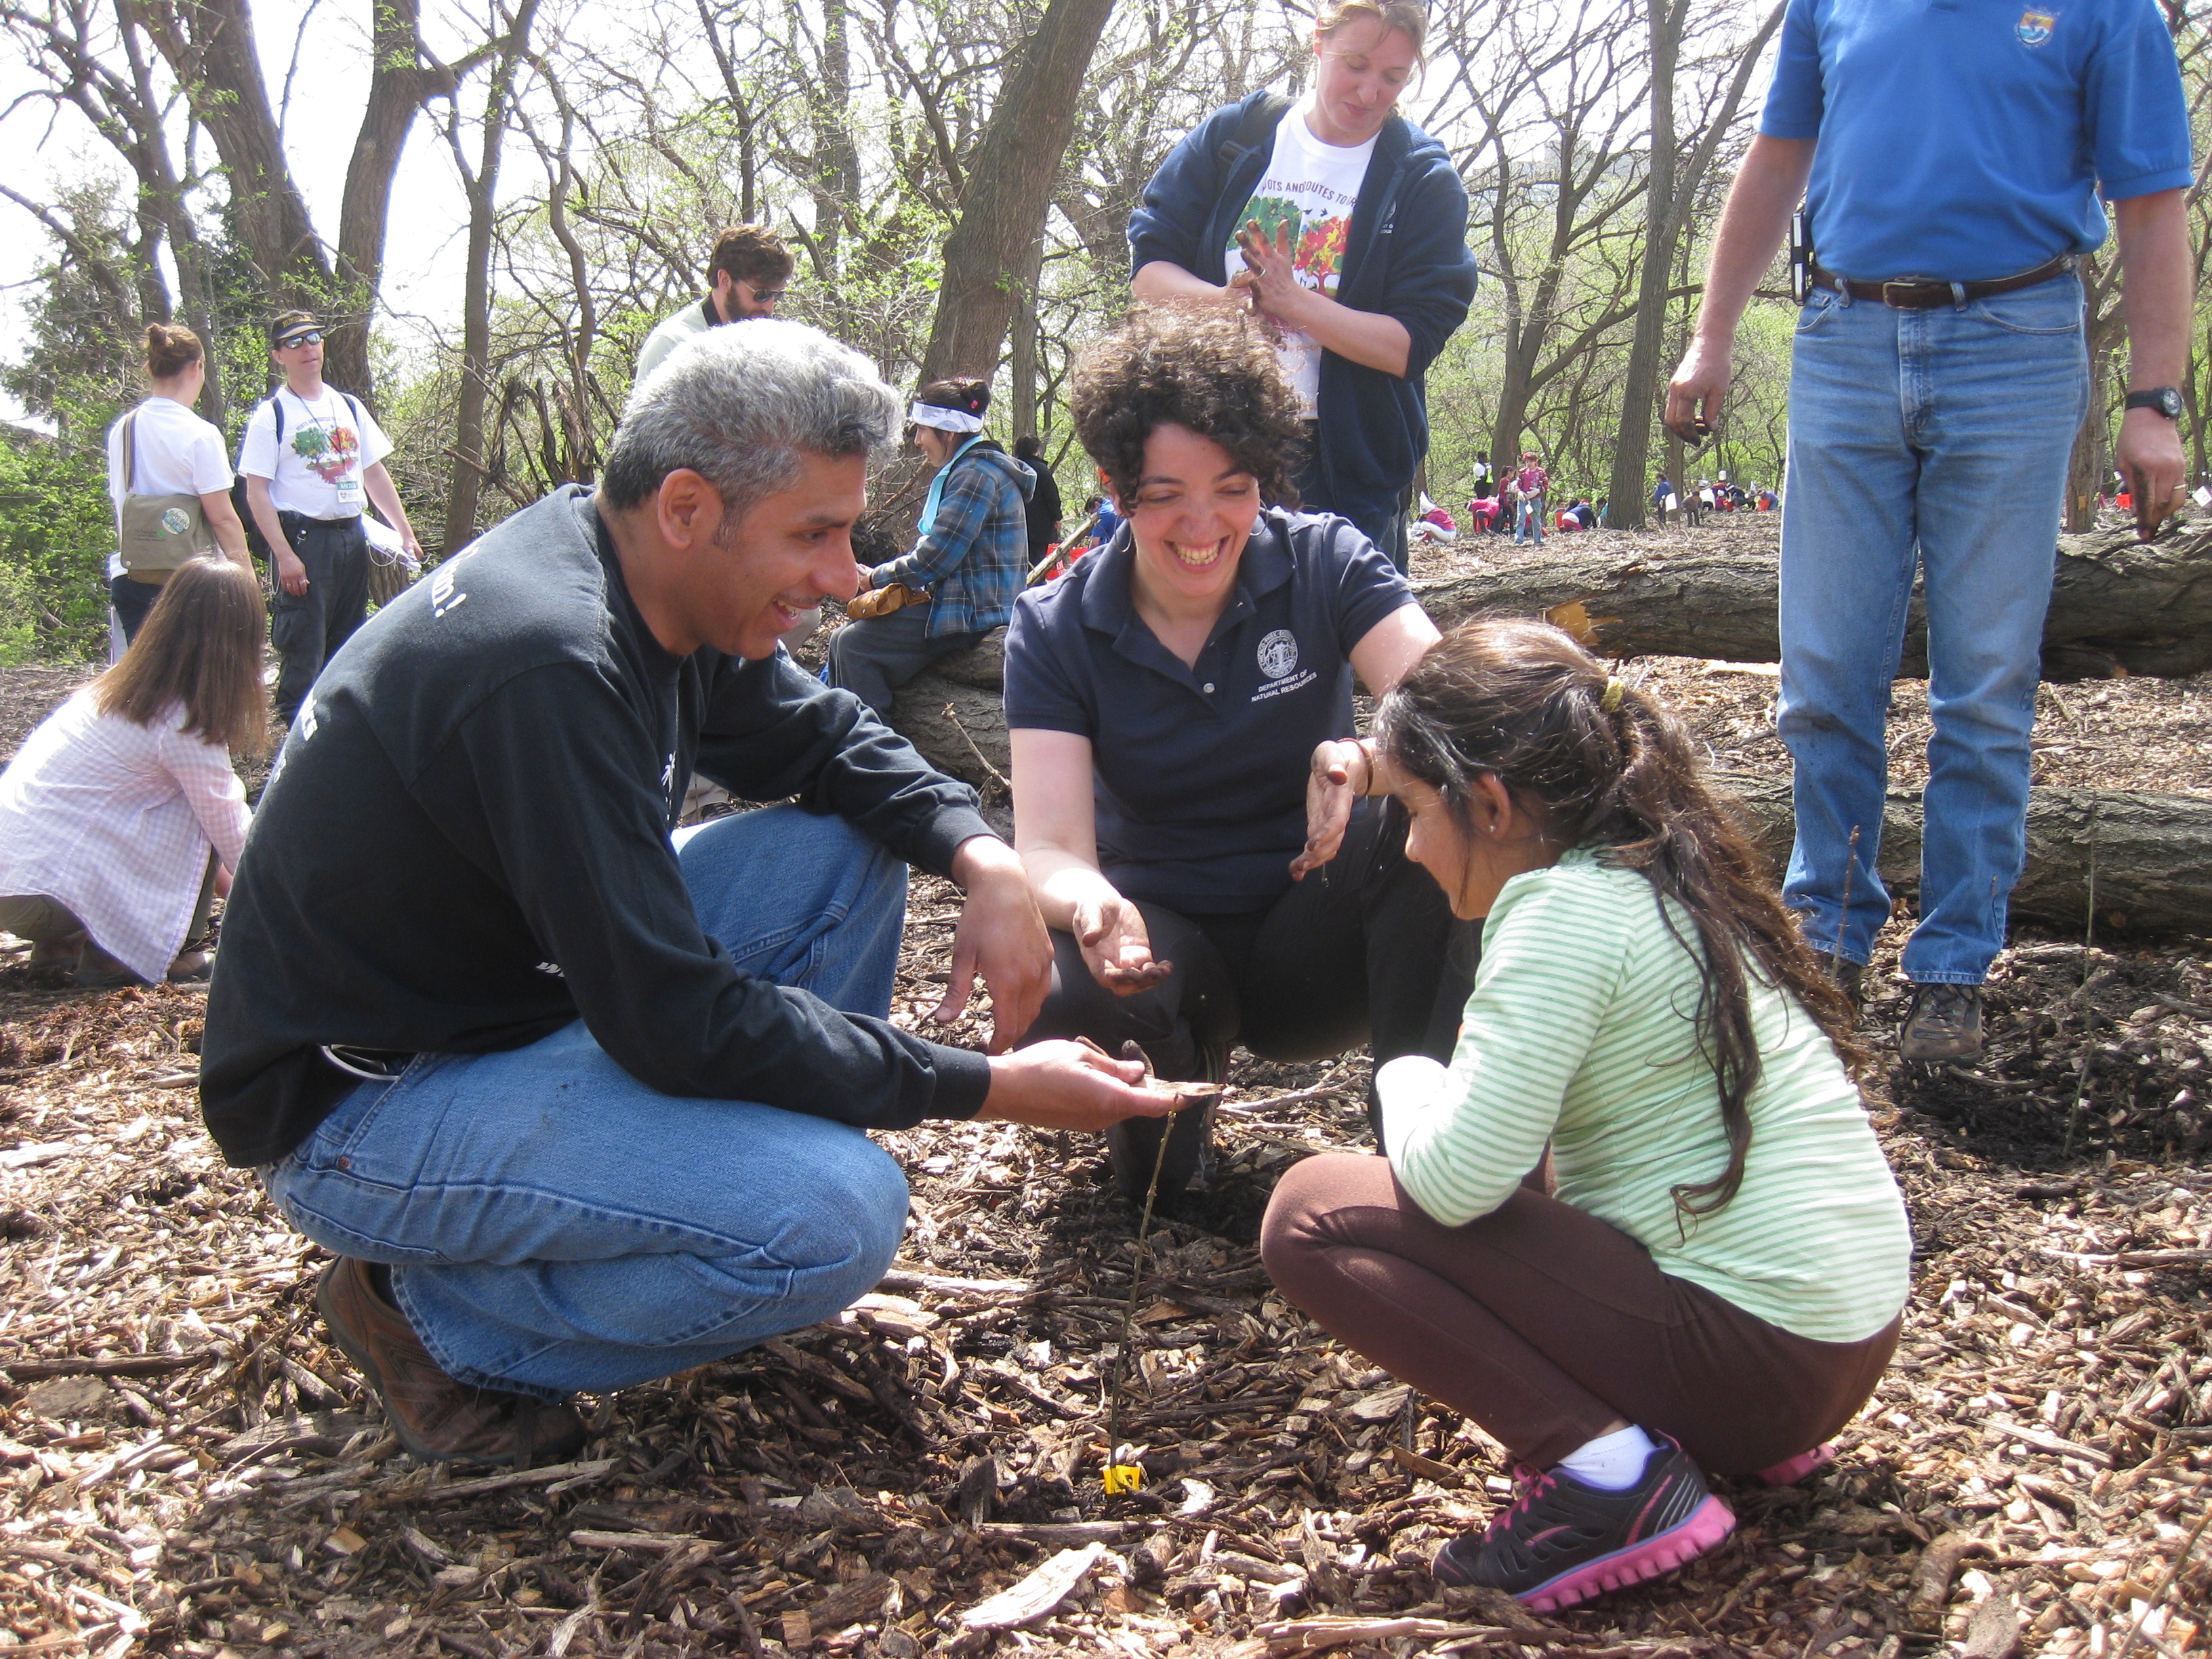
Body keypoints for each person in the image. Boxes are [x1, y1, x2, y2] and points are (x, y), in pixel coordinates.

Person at [199, 322, 1169, 1467]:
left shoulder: (647, 577)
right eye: (813, 534)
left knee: (839, 852)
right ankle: (421, 1312)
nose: (843, 577)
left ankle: (712, 1207)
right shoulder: (551, 664)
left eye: (849, 533)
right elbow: (672, 1016)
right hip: (363, 1109)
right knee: (837, 1218)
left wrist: (981, 854)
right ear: (685, 507)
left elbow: (823, 740)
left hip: (508, 1006)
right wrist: (990, 1084)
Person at [1262, 619, 1912, 1610]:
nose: (1413, 846)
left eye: (1417, 811)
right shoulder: (1665, 874)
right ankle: (1673, 1439)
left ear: (1490, 802)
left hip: (1755, 1366)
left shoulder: (1560, 913)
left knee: (1309, 1210)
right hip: (1839, 1347)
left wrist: (1400, 1074)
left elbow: (1452, 1182)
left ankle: (1610, 1479)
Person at [1666, 0, 2192, 1061]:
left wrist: (2156, 399)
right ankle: (1828, 939)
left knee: (1986, 685)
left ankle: (1953, 967)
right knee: (1823, 676)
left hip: (2017, 339)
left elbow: (2151, 202)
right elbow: (1776, 159)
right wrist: (1710, 336)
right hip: (1844, 336)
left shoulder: (2107, 12)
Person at [1004, 306, 1471, 1201]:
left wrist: (1367, 763)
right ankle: (1170, 1151)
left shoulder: (1326, 561)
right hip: (1166, 946)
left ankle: (1428, 1160)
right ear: (1112, 486)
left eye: (1233, 486)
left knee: (1438, 810)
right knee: (1066, 992)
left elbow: (1461, 713)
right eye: (1165, 492)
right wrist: (1093, 904)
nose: (1201, 523)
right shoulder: (1057, 627)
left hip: (1316, 936)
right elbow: (1048, 846)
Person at [1126, 0, 1475, 571]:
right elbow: (1148, 273)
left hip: (1345, 467)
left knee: (1338, 650)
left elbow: (1409, 344)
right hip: (1210, 441)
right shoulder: (1239, 135)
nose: (1369, 93)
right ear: (1319, 43)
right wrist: (1226, 303)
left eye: (1393, 77)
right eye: (1355, 66)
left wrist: (1295, 303)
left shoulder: (1421, 179)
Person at [0, 558, 266, 986]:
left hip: (16, 888)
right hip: (46, 898)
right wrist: (282, 910)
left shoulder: (113, 689)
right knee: (200, 802)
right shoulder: (181, 722)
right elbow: (232, 832)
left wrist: (232, 888)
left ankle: (57, 946)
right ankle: (124, 955)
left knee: (162, 798)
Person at [239, 312, 422, 729]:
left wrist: (404, 533)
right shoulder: (273, 415)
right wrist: (284, 556)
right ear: (278, 356)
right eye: (294, 342)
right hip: (305, 541)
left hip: (352, 535)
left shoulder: (349, 407)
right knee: (305, 646)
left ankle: (339, 737)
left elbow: (373, 474)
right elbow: (256, 492)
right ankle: (294, 744)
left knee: (349, 644)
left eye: (313, 338)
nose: (307, 348)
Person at [825, 378, 1034, 718]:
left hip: (974, 613)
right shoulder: (973, 470)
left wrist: (873, 578)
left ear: (948, 433)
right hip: (967, 604)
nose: (918, 439)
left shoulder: (975, 475)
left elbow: (935, 559)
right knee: (842, 639)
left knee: (854, 646)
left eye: (923, 430)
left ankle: (867, 752)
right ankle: (844, 736)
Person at [104, 325, 251, 643]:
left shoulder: (123, 429)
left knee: (145, 688)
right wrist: (246, 579)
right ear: (198, 366)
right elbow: (222, 518)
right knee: (194, 688)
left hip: (134, 575)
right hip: (190, 584)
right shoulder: (199, 433)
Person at [635, 224, 794, 382]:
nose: (769, 307)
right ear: (725, 280)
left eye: (777, 295)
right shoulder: (670, 345)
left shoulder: (771, 347)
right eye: (762, 294)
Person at [1014, 434, 1064, 569]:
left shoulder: (1013, 468)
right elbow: (1051, 496)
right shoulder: (1042, 470)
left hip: (1014, 524)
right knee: (1036, 563)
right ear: (1036, 450)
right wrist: (1056, 517)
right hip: (1039, 528)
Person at [1511, 452, 1548, 545]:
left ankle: (1538, 540)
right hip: (1524, 499)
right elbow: (1517, 485)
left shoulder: (1541, 472)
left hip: (1535, 499)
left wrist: (1538, 490)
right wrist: (1519, 492)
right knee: (1521, 518)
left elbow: (1546, 486)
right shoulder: (1522, 472)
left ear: (1536, 461)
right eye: (1527, 461)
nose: (1529, 464)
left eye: (1531, 461)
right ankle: (1518, 540)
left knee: (1536, 519)